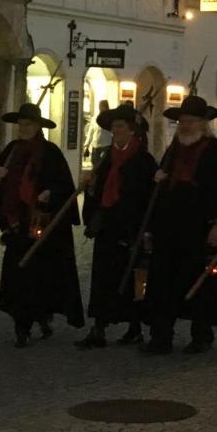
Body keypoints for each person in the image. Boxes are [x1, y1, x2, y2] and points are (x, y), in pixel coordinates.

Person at [142, 95, 217, 355]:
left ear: (203, 123)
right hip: (169, 230)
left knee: (202, 283)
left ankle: (201, 335)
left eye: (191, 121)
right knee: (163, 282)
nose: (185, 126)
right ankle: (161, 335)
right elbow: (160, 194)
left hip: (201, 229)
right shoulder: (173, 151)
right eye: (182, 121)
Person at [0, 102, 85, 347]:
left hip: (41, 227)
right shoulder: (11, 151)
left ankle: (40, 317)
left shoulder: (50, 152)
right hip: (16, 225)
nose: (24, 128)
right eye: (21, 124)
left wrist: (50, 192)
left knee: (40, 278)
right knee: (18, 278)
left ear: (38, 126)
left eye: (28, 124)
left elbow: (64, 185)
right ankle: (22, 325)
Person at [76, 102, 156, 349]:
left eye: (120, 126)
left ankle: (135, 327)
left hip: (131, 228)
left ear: (132, 130)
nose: (116, 131)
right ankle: (98, 328)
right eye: (113, 127)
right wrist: (89, 187)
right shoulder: (105, 158)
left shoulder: (144, 160)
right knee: (102, 277)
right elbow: (97, 193)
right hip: (107, 227)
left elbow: (149, 197)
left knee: (130, 278)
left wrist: (146, 231)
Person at [84, 99, 112, 170]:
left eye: (103, 106)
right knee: (94, 163)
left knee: (103, 164)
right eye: (100, 106)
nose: (101, 108)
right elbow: (91, 132)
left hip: (106, 145)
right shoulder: (95, 118)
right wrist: (86, 144)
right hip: (95, 145)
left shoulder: (110, 118)